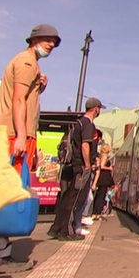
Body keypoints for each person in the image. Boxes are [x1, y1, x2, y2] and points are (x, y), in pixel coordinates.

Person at [0, 24, 61, 276]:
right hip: (14, 135)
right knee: (7, 194)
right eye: (48, 40)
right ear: (34, 39)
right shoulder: (27, 63)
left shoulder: (24, 62)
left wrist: (40, 86)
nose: (51, 45)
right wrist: (19, 136)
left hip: (5, 134)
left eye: (54, 42)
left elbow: (23, 96)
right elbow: (18, 100)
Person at [47, 97, 104, 241]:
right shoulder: (88, 124)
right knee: (75, 199)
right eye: (99, 108)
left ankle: (56, 228)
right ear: (96, 108)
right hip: (81, 167)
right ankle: (66, 231)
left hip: (74, 165)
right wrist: (86, 164)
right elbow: (85, 145)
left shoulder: (78, 122)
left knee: (68, 197)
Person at [91, 142, 115, 220]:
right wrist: (110, 168)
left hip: (101, 179)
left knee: (99, 196)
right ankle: (97, 213)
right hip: (104, 179)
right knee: (101, 196)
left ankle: (95, 212)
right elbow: (102, 166)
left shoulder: (101, 156)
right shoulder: (105, 156)